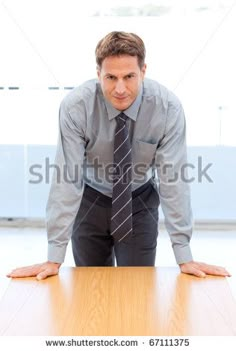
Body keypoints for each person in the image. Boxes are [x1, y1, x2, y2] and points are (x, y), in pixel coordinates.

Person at [8, 31, 230, 280]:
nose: (120, 88)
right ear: (98, 74)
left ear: (143, 71)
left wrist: (184, 254)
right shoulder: (76, 107)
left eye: (129, 76)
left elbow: (173, 180)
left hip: (139, 202)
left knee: (136, 290)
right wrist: (54, 257)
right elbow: (67, 178)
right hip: (90, 201)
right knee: (91, 292)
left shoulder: (167, 108)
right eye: (111, 77)